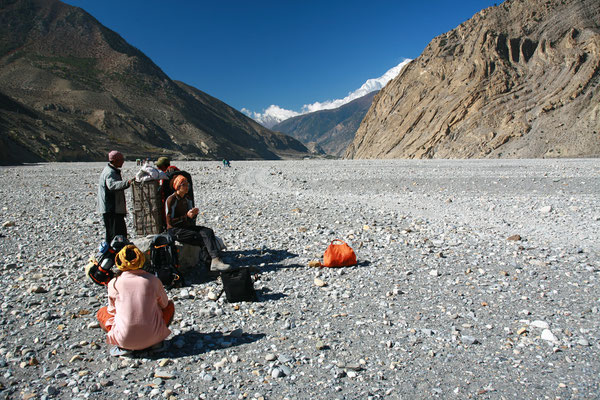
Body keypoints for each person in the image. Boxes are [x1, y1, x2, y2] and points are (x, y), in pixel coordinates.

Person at [96, 245, 174, 356]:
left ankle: (123, 346)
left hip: (125, 340)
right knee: (170, 306)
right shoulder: (153, 280)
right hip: (153, 337)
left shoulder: (114, 283)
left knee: (102, 313)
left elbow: (112, 311)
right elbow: (165, 304)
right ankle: (156, 343)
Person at [165, 175, 231, 271]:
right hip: (175, 230)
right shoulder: (172, 200)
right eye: (184, 185)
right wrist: (186, 217)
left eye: (188, 184)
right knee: (201, 238)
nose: (187, 187)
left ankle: (215, 260)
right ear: (178, 186)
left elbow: (190, 219)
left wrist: (193, 215)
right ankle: (209, 265)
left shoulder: (187, 199)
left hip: (185, 226)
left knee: (207, 232)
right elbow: (170, 221)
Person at [97, 150, 132, 243]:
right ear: (115, 160)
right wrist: (127, 183)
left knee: (112, 233)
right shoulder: (110, 172)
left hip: (112, 208)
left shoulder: (111, 170)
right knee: (116, 233)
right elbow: (112, 185)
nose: (123, 161)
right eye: (121, 159)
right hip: (111, 209)